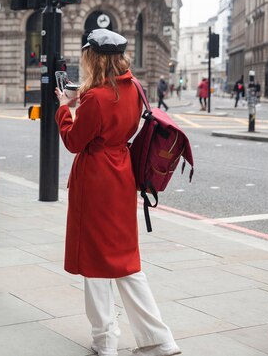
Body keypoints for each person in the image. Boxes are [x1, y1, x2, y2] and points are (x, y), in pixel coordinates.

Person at [55, 29, 181, 356]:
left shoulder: (96, 98)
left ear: (93, 58)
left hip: (96, 180)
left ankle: (105, 340)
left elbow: (73, 141)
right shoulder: (135, 87)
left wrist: (63, 109)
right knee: (126, 262)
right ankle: (160, 340)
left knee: (96, 264)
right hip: (122, 176)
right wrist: (81, 97)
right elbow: (112, 110)